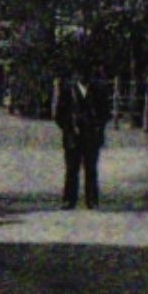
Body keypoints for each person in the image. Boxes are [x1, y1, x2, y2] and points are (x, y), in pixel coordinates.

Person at [55, 60, 111, 209]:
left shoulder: (98, 91)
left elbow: (105, 113)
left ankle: (91, 199)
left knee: (91, 169)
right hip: (73, 136)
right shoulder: (68, 90)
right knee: (72, 169)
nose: (83, 77)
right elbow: (59, 114)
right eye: (80, 74)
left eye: (86, 74)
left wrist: (98, 126)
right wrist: (69, 128)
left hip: (91, 136)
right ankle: (69, 199)